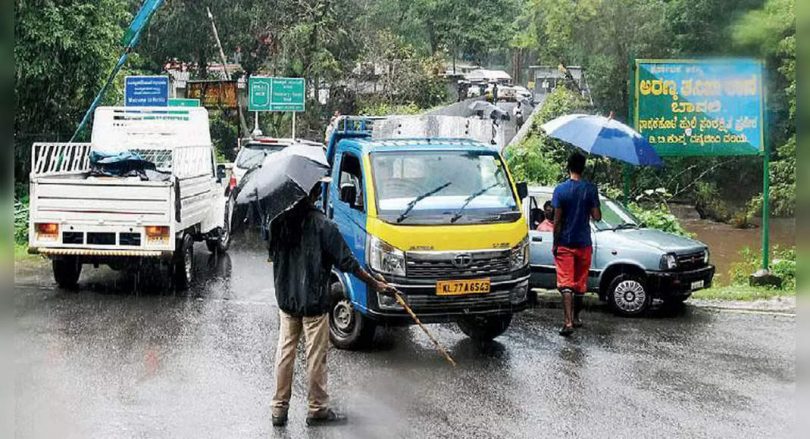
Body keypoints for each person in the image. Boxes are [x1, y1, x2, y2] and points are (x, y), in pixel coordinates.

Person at [269, 181, 396, 427]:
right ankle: (317, 409)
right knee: (316, 357)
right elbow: (348, 263)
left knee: (285, 353)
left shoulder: (279, 223)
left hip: (287, 301)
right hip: (314, 302)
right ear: (315, 194)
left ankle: (278, 409)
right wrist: (377, 284)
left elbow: (273, 255)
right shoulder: (324, 226)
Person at [551, 152, 601, 336]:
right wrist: (592, 201)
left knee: (566, 283)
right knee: (580, 284)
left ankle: (568, 322)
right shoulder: (590, 189)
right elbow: (597, 217)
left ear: (568, 167)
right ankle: (577, 318)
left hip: (565, 243)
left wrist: (555, 244)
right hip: (584, 243)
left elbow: (557, 221)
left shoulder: (560, 190)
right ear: (583, 168)